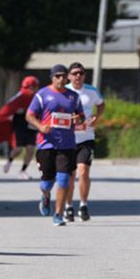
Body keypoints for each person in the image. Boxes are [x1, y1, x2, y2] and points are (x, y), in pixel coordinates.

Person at [26, 64, 85, 226]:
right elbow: (30, 115)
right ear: (52, 77)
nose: (60, 79)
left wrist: (78, 119)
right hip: (46, 144)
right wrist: (40, 127)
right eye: (57, 76)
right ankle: (45, 196)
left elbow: (81, 115)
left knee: (64, 180)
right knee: (47, 182)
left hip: (66, 144)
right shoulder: (42, 94)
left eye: (63, 76)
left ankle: (58, 214)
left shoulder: (73, 96)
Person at [64, 62, 105, 222]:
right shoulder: (64, 91)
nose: (78, 76)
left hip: (86, 138)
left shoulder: (91, 91)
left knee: (83, 172)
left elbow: (101, 105)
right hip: (68, 139)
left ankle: (83, 205)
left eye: (81, 73)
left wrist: (96, 117)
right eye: (74, 73)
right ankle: (68, 206)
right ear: (69, 76)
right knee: (69, 176)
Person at [0, 76, 40, 179]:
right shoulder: (19, 96)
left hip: (31, 125)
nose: (33, 89)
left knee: (30, 149)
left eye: (35, 87)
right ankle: (9, 161)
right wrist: (19, 110)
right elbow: (9, 108)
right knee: (18, 149)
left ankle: (23, 170)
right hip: (19, 125)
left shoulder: (38, 97)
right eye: (31, 87)